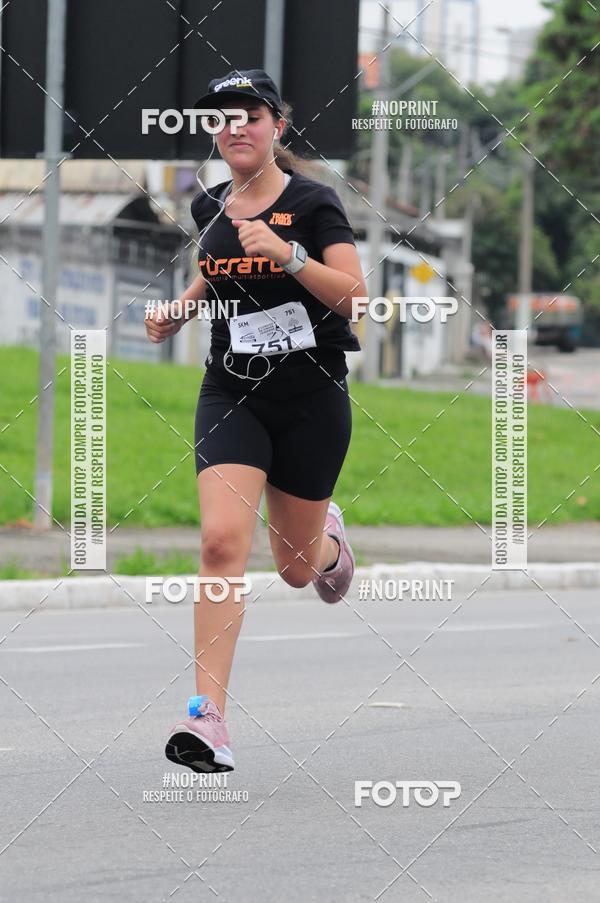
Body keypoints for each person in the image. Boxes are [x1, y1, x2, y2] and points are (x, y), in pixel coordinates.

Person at [144, 69, 367, 774]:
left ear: (277, 125)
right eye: (223, 117)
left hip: (310, 398)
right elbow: (217, 268)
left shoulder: (314, 203)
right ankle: (208, 720)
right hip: (232, 393)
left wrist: (292, 255)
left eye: (250, 115)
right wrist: (177, 310)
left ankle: (328, 545)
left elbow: (355, 299)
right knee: (218, 544)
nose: (234, 126)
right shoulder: (210, 202)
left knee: (297, 570)